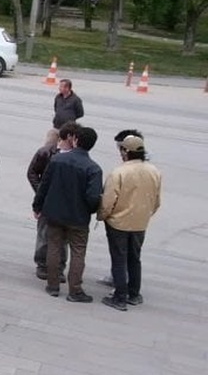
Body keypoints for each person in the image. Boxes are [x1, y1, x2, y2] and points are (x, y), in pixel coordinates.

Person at [33, 126, 103, 302]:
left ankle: (53, 285)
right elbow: (93, 197)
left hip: (54, 213)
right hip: (78, 218)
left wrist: (37, 206)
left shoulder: (57, 160)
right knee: (78, 252)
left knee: (54, 247)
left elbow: (44, 186)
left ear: (76, 141)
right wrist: (90, 209)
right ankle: (75, 290)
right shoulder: (93, 169)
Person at [98, 134, 162, 311]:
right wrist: (145, 215)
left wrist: (103, 216)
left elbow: (108, 201)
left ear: (126, 152)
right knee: (135, 258)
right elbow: (156, 201)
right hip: (140, 223)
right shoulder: (154, 171)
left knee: (119, 259)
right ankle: (134, 294)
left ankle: (119, 297)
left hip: (118, 223)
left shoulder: (119, 172)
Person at [29, 123, 78, 280]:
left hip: (65, 203)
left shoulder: (77, 155)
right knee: (44, 234)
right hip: (47, 200)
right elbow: (32, 173)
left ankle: (59, 267)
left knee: (62, 238)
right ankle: (42, 264)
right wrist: (40, 192)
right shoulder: (46, 153)